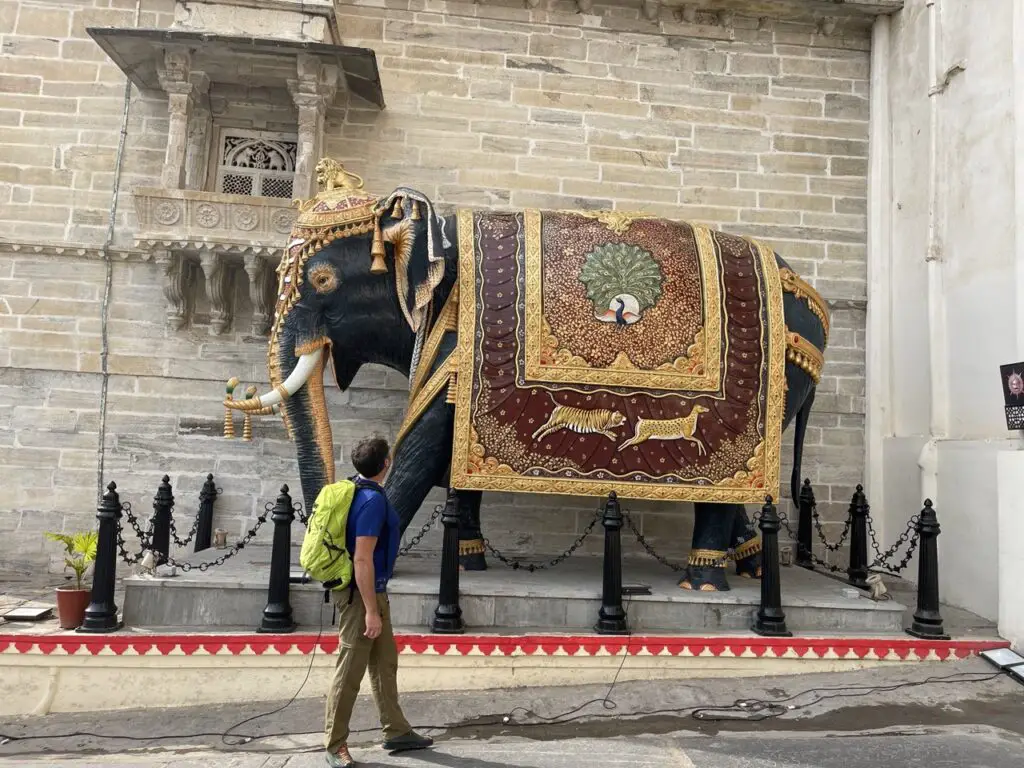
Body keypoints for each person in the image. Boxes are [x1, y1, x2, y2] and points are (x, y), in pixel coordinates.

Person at [323, 435, 433, 767]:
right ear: (386, 464)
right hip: (361, 597)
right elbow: (362, 559)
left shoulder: (360, 491)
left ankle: (396, 730)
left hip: (372, 592)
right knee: (350, 670)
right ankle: (334, 743)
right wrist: (371, 610)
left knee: (385, 664)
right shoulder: (371, 502)